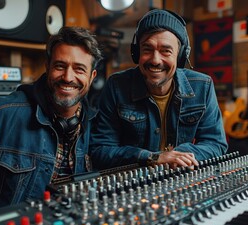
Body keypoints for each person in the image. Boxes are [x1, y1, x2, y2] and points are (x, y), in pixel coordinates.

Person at [0, 26, 103, 219]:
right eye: (60, 66)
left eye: (79, 69)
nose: (67, 77)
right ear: (47, 67)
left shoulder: (96, 123)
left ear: (91, 77)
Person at [90, 9, 228, 170]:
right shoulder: (116, 86)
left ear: (180, 55)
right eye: (147, 49)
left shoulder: (202, 86)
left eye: (166, 51)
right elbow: (100, 151)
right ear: (137, 52)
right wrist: (152, 157)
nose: (155, 60)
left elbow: (216, 144)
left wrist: (180, 155)